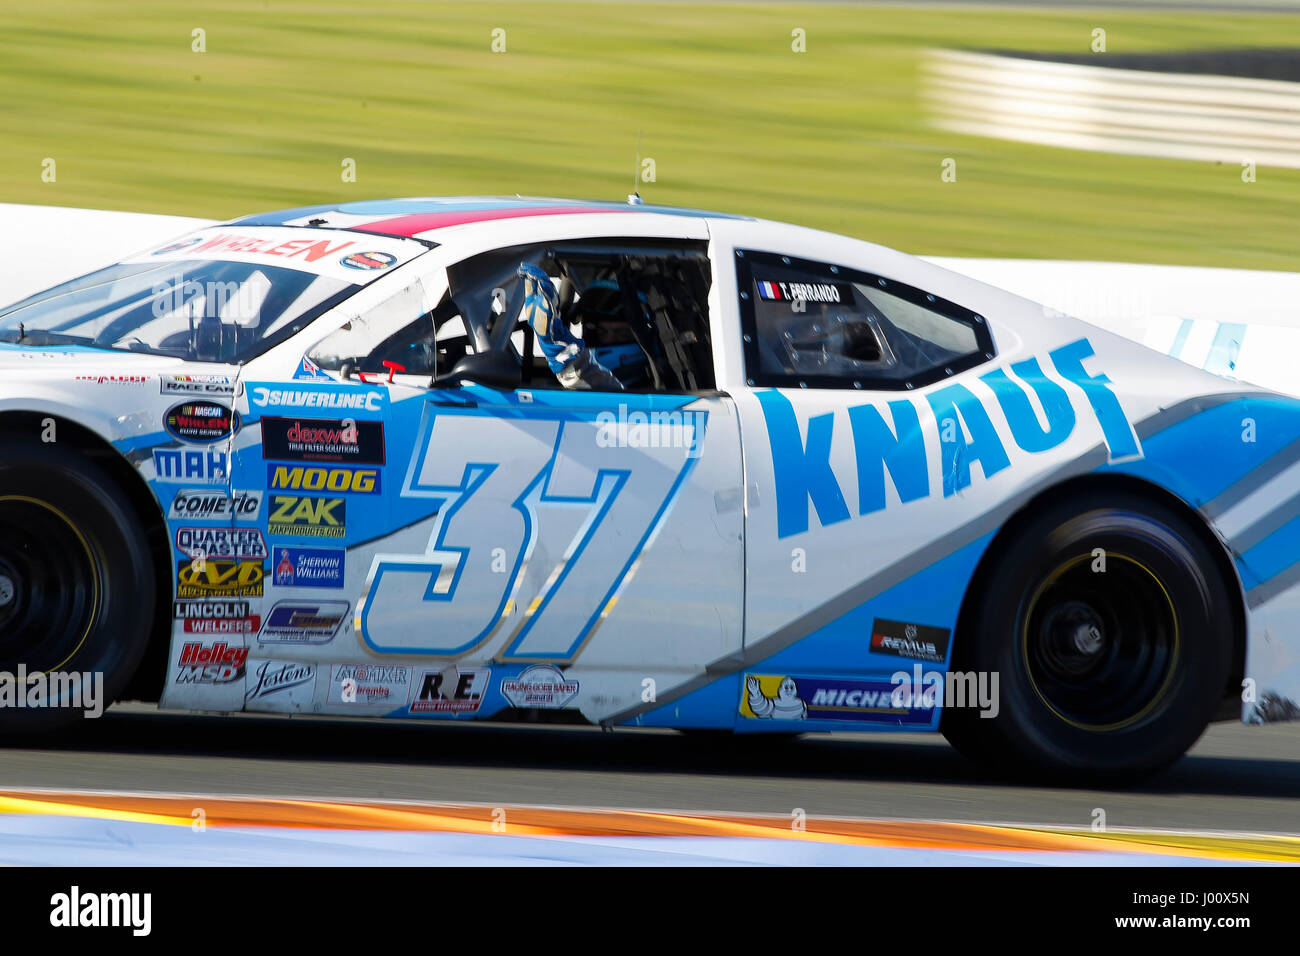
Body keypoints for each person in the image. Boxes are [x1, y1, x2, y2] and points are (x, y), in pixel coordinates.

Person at [517, 262, 624, 391]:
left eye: (621, 333)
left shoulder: (650, 383)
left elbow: (611, 394)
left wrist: (562, 354)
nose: (609, 339)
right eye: (601, 332)